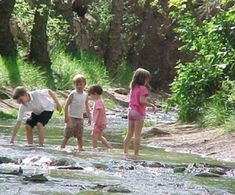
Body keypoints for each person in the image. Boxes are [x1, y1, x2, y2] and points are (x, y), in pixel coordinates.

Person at [123, 68, 155, 157]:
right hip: (138, 112)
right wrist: (152, 105)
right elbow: (142, 101)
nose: (147, 81)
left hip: (130, 111)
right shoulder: (143, 89)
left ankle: (125, 152)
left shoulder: (133, 87)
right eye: (147, 79)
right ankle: (136, 154)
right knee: (137, 134)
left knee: (129, 133)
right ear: (143, 79)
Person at [61, 74, 91, 150]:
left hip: (80, 118)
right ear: (74, 85)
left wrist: (89, 117)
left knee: (80, 136)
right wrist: (66, 117)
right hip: (71, 117)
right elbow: (66, 105)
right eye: (77, 84)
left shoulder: (85, 95)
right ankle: (62, 148)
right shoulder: (73, 94)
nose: (79, 86)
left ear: (84, 84)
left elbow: (87, 106)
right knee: (67, 135)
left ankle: (80, 148)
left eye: (81, 84)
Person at [88, 84, 111, 150]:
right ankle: (109, 147)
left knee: (94, 135)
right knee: (99, 136)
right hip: (101, 122)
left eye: (91, 95)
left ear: (95, 94)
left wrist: (97, 123)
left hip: (99, 122)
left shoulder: (98, 102)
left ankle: (94, 148)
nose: (90, 96)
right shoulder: (100, 101)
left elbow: (100, 113)